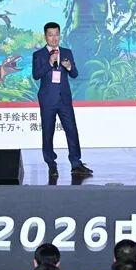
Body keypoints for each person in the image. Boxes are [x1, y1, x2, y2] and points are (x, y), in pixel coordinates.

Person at [32, 21, 92, 178]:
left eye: (56, 35)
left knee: (71, 130)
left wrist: (69, 67)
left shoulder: (66, 52)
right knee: (48, 132)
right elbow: (36, 75)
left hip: (64, 99)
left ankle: (76, 163)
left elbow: (75, 74)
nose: (54, 38)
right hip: (47, 100)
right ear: (45, 36)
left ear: (60, 35)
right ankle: (51, 164)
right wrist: (49, 63)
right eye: (50, 35)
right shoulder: (38, 55)